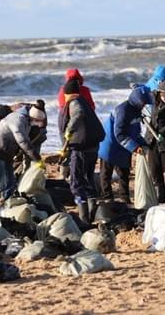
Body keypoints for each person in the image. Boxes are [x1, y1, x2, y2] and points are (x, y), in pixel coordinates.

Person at [60, 79, 105, 223]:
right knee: (88, 178)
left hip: (82, 149)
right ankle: (92, 212)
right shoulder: (84, 101)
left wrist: (69, 130)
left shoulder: (75, 103)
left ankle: (84, 217)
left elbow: (77, 115)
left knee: (77, 182)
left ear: (68, 94)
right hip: (93, 146)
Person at [98, 86, 153, 204]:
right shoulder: (122, 110)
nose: (144, 106)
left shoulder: (136, 111)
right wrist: (134, 147)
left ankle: (124, 198)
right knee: (106, 173)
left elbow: (136, 132)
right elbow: (119, 133)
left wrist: (144, 144)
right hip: (110, 144)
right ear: (137, 101)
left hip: (124, 145)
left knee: (124, 172)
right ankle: (107, 197)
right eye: (143, 103)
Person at [0, 102, 46, 203]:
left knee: (6, 178)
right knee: (8, 182)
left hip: (6, 150)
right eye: (37, 121)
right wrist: (37, 158)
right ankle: (6, 205)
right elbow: (23, 141)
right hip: (2, 151)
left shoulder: (26, 119)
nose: (37, 124)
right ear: (33, 117)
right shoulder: (18, 120)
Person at [57, 68, 96, 179]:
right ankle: (75, 175)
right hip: (83, 125)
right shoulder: (85, 90)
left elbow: (62, 108)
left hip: (66, 123)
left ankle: (64, 175)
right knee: (79, 150)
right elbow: (92, 107)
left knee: (66, 148)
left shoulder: (63, 90)